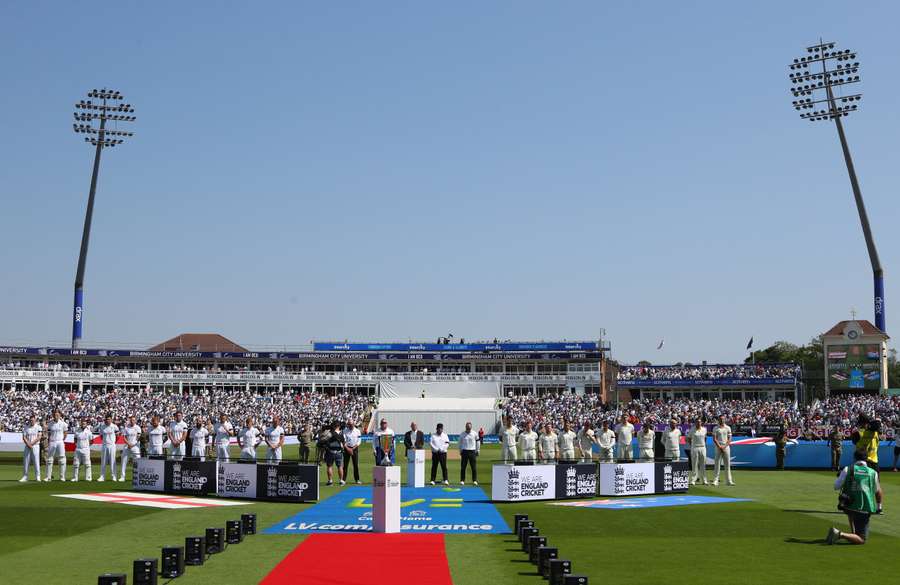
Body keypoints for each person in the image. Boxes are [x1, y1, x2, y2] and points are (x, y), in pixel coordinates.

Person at [827, 449, 884, 545]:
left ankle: (853, 534)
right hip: (864, 507)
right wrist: (879, 507)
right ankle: (839, 534)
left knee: (851, 512)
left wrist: (841, 476)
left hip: (847, 505)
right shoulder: (873, 473)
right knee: (862, 539)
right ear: (867, 459)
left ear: (854, 458)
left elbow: (836, 486)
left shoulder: (847, 469)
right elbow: (877, 491)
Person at [45, 409, 68, 481]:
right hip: (52, 441)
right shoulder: (50, 424)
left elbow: (65, 434)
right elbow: (47, 432)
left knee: (62, 459)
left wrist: (61, 440)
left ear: (60, 415)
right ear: (53, 415)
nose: (56, 416)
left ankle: (62, 477)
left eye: (57, 415)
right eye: (55, 415)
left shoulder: (63, 424)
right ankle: (48, 477)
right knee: (49, 459)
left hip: (60, 442)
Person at [20, 415, 42, 482]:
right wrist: (28, 444)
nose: (32, 421)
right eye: (31, 420)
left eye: (33, 420)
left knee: (36, 461)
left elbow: (39, 437)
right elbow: (24, 437)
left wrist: (31, 444)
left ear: (35, 420)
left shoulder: (38, 427)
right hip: (27, 446)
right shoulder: (26, 427)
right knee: (26, 461)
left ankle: (38, 476)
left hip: (35, 446)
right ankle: (25, 476)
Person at [712, 415, 734, 486]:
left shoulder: (728, 428)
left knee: (727, 464)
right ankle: (715, 481)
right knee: (717, 464)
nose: (722, 420)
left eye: (723, 419)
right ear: (718, 420)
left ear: (725, 419)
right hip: (718, 447)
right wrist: (720, 447)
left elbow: (730, 438)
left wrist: (724, 446)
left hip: (726, 447)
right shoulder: (715, 428)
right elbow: (714, 439)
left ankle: (729, 481)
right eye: (720, 419)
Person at [118, 415, 142, 481]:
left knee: (138, 461)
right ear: (129, 420)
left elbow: (138, 437)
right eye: (131, 420)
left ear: (135, 421)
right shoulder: (126, 428)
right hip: (127, 446)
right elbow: (124, 437)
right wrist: (128, 444)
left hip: (135, 446)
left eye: (133, 420)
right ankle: (122, 477)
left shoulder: (138, 428)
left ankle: (138, 476)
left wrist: (133, 444)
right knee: (124, 461)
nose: (132, 421)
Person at [97, 414, 119, 482]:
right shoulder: (102, 427)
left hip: (112, 445)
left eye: (109, 419)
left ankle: (114, 476)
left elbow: (117, 436)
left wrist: (113, 442)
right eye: (106, 419)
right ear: (105, 420)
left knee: (113, 461)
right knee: (103, 461)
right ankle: (102, 476)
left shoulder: (114, 426)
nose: (107, 420)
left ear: (111, 420)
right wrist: (105, 442)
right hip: (104, 445)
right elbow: (101, 436)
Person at [324, 421, 346, 486]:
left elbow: (325, 441)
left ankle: (330, 481)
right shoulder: (341, 434)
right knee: (340, 466)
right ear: (339, 426)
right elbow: (343, 442)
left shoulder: (330, 433)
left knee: (329, 466)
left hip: (331, 451)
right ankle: (341, 480)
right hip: (339, 451)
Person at [688, 419, 708, 486]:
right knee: (694, 465)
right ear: (695, 423)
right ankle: (693, 480)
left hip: (703, 448)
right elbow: (688, 438)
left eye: (699, 422)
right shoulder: (692, 429)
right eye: (697, 422)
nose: (698, 423)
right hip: (694, 448)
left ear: (701, 422)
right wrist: (692, 445)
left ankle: (704, 480)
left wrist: (703, 444)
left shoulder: (704, 429)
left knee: (703, 465)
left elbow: (705, 438)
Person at [459, 421, 479, 485]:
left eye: (469, 428)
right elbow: (460, 443)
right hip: (464, 451)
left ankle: (474, 480)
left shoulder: (474, 433)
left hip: (472, 451)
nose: (468, 429)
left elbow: (478, 442)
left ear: (471, 427)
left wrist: (478, 450)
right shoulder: (462, 434)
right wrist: (460, 450)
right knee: (463, 467)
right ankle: (462, 480)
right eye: (467, 428)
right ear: (465, 427)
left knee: (473, 467)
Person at [342, 419, 362, 484]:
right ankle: (343, 480)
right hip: (346, 448)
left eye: (351, 424)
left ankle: (357, 479)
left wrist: (352, 449)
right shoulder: (345, 431)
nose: (350, 426)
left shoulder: (357, 431)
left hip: (354, 448)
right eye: (349, 424)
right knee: (345, 465)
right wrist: (347, 448)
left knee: (355, 465)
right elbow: (343, 441)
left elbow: (359, 441)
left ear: (353, 424)